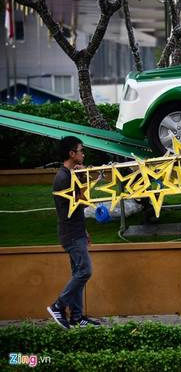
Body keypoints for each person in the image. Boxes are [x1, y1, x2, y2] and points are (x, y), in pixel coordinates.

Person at [46, 136, 100, 328]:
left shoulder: (69, 175)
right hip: (71, 234)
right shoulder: (63, 178)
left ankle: (77, 318)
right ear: (71, 154)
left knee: (79, 272)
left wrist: (84, 230)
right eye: (80, 150)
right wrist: (83, 177)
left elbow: (77, 207)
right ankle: (58, 305)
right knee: (85, 271)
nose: (83, 153)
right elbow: (81, 201)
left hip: (76, 231)